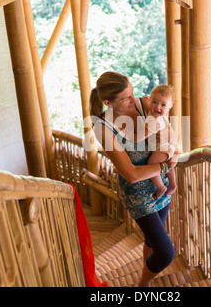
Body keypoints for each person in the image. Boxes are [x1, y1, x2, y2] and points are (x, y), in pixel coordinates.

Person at [89, 71, 178, 287]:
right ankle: (144, 284)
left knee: (151, 241)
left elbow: (168, 130)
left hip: (161, 186)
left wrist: (172, 154)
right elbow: (130, 174)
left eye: (132, 93)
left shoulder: (145, 104)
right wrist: (166, 164)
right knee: (166, 253)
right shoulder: (102, 128)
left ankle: (143, 283)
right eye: (126, 98)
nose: (135, 99)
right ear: (108, 103)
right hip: (138, 193)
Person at [135, 85, 178, 200]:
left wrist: (133, 137)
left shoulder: (156, 121)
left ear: (169, 108)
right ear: (149, 100)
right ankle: (173, 183)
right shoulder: (161, 114)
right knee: (168, 164)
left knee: (151, 164)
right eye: (154, 102)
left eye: (163, 105)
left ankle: (161, 187)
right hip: (168, 146)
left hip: (163, 147)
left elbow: (142, 136)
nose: (158, 107)